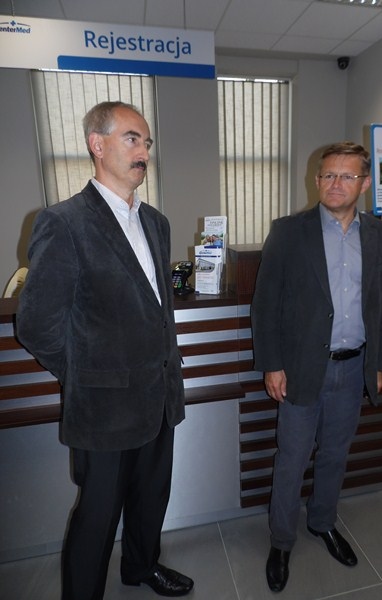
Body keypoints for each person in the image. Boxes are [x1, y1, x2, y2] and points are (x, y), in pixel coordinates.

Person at [16, 101, 194, 599]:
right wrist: (87, 373)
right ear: (97, 144)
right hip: (104, 408)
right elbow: (36, 324)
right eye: (132, 139)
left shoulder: (155, 222)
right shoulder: (63, 222)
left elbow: (156, 309)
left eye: (146, 142)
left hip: (159, 396)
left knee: (151, 499)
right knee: (97, 518)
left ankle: (141, 566)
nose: (144, 152)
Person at [251, 142, 382, 592]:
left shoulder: (381, 236)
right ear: (316, 181)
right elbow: (266, 303)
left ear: (364, 183)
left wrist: (379, 364)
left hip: (354, 368)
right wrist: (272, 365)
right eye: (328, 175)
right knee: (292, 459)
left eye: (346, 176)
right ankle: (281, 540)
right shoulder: (289, 232)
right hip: (300, 368)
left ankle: (322, 522)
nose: (335, 184)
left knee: (335, 453)